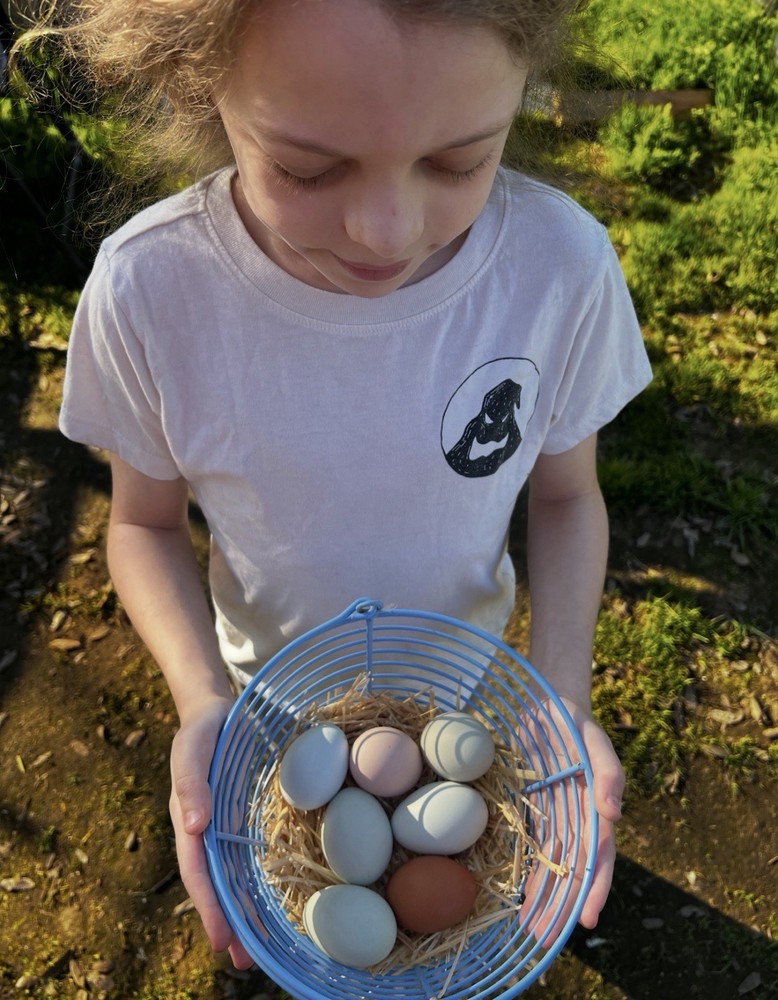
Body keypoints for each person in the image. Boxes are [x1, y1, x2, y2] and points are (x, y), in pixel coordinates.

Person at [25, 0, 652, 973]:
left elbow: (566, 496)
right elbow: (142, 524)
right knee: (326, 899)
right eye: (306, 168)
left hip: (468, 702)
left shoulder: (555, 268)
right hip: (267, 707)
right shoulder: (151, 294)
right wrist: (200, 703)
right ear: (201, 89)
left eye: (458, 161)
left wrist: (559, 700)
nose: (385, 230)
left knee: (456, 890)